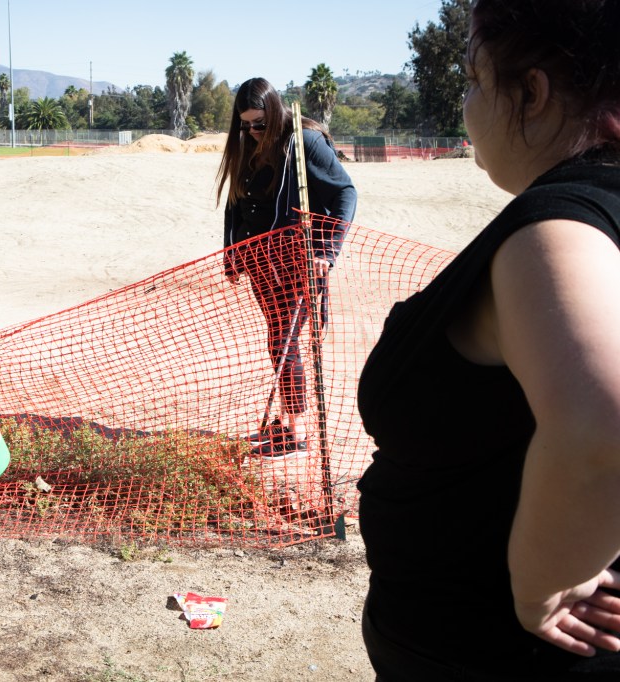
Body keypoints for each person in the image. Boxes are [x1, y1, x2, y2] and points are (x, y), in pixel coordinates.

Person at [356, 1, 620, 678]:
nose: (466, 106)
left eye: (473, 79)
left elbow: (600, 424)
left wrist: (540, 587)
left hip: (499, 648)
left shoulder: (555, 230)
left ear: (530, 93)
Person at [216, 77, 357, 452]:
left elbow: (345, 192)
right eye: (244, 124)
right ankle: (287, 419)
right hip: (260, 262)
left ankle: (294, 432)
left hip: (299, 260)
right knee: (278, 341)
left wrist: (327, 252)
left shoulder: (304, 142)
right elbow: (236, 202)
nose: (252, 131)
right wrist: (231, 253)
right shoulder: (245, 145)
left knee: (285, 338)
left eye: (259, 123)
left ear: (276, 113)